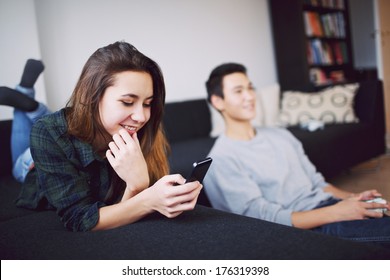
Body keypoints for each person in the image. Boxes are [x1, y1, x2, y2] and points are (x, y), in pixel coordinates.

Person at [1, 42, 202, 232]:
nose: (141, 117)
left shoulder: (142, 130)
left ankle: (31, 104)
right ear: (92, 98)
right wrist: (146, 196)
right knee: (24, 153)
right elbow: (80, 219)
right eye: (127, 102)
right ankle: (26, 97)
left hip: (75, 126)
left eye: (147, 103)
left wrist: (139, 188)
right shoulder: (48, 132)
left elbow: (122, 211)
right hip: (30, 165)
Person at [203, 62, 390, 244]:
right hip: (302, 227)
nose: (249, 96)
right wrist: (339, 212)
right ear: (218, 101)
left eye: (250, 88)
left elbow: (317, 182)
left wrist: (352, 199)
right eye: (238, 91)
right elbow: (260, 217)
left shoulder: (280, 134)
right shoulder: (222, 158)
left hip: (328, 207)